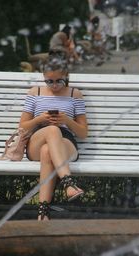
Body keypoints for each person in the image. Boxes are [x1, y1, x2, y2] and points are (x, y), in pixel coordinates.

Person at [19, 55, 88, 221]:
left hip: (66, 142)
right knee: (51, 130)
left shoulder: (74, 94)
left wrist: (66, 120)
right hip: (38, 137)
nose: (55, 85)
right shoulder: (34, 92)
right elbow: (22, 127)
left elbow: (83, 133)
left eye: (59, 81)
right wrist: (40, 119)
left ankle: (43, 213)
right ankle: (68, 183)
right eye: (49, 81)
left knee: (47, 150)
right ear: (43, 76)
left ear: (66, 76)